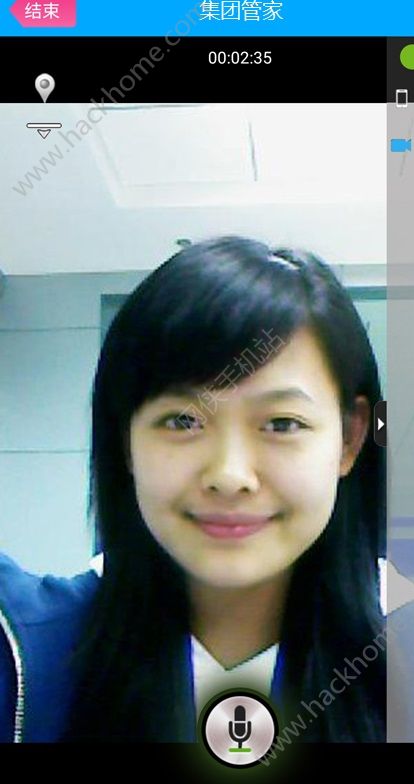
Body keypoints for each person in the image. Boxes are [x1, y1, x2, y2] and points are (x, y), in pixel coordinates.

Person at [0, 236, 386, 743]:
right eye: (182, 420)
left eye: (282, 423)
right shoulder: (23, 658)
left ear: (350, 438)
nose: (229, 475)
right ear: (125, 440)